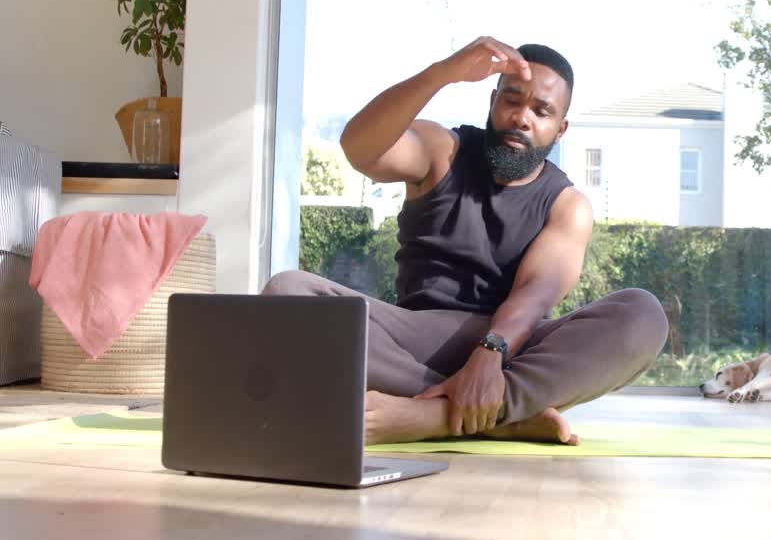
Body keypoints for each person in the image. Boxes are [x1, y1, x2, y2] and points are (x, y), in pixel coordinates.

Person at [262, 36, 669, 446]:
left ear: (559, 130)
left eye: (541, 111)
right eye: (512, 100)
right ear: (493, 102)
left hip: (511, 348)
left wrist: (491, 352)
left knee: (643, 316)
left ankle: (433, 416)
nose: (521, 118)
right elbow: (359, 149)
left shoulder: (568, 205)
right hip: (413, 341)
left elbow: (535, 295)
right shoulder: (442, 151)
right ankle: (498, 417)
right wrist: (443, 74)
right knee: (287, 292)